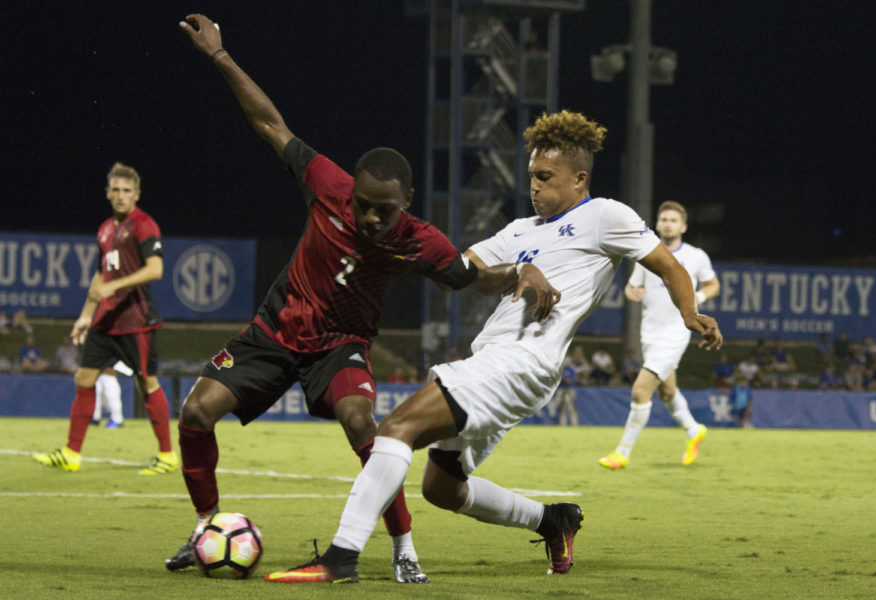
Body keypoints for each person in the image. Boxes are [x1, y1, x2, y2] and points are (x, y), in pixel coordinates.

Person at [170, 14, 559, 584]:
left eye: (386, 208)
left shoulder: (422, 241)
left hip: (340, 346)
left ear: (407, 200)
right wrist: (220, 56)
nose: (373, 217)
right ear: (351, 190)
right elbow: (270, 124)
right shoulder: (327, 184)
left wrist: (520, 272)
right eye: (364, 205)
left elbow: (468, 277)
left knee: (363, 423)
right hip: (276, 330)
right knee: (197, 411)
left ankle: (404, 548)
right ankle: (206, 527)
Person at [260, 110, 722, 584]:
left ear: (579, 179)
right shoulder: (518, 231)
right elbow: (457, 271)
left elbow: (669, 266)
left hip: (522, 362)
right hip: (493, 362)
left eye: (546, 177)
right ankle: (552, 521)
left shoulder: (605, 215)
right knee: (443, 487)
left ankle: (340, 558)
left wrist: (689, 314)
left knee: (397, 427)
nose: (534, 187)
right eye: (531, 177)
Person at [33, 162, 175, 475]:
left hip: (136, 320)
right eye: (116, 190)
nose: (122, 195)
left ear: (137, 194)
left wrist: (113, 286)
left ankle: (167, 454)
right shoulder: (105, 229)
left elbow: (156, 269)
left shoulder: (143, 225)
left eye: (128, 190)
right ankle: (71, 453)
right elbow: (101, 274)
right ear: (108, 193)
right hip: (106, 320)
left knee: (146, 383)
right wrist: (86, 315)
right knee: (84, 378)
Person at [599, 200, 721, 470]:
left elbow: (713, 285)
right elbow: (632, 288)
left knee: (640, 392)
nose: (667, 223)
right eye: (663, 219)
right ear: (657, 224)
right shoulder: (647, 255)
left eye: (673, 220)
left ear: (683, 226)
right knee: (667, 392)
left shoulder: (696, 256)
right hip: (649, 333)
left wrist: (697, 297)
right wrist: (634, 293)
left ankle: (622, 452)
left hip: (676, 332)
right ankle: (693, 430)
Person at [91, 361, 132, 428]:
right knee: (96, 397)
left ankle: (117, 420)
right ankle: (95, 417)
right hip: (98, 375)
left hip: (109, 376)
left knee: (113, 398)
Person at [554, 357, 578, 426]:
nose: (567, 364)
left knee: (571, 408)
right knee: (562, 408)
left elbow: (571, 380)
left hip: (570, 390)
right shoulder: (561, 370)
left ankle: (574, 424)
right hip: (562, 389)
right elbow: (559, 379)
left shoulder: (572, 370)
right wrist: (564, 379)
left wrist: (564, 379)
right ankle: (563, 424)